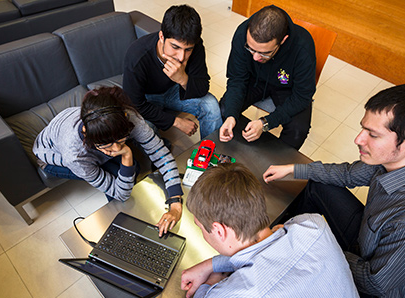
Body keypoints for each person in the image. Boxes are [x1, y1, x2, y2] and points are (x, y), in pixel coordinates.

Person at [263, 84, 405, 297]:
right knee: (317, 185)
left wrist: (313, 243)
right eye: (363, 128)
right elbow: (347, 175)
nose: (358, 139)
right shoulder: (399, 159)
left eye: (373, 135)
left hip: (374, 289)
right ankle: (282, 234)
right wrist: (294, 169)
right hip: (365, 242)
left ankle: (286, 243)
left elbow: (374, 283)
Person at [181, 163, 359, 298]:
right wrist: (212, 264)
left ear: (219, 231)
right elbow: (272, 242)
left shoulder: (230, 294)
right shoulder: (314, 225)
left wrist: (210, 284)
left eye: (200, 227)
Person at [33, 86, 182, 236]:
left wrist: (175, 203)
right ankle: (124, 231)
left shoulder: (128, 116)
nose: (116, 148)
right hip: (51, 156)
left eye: (120, 140)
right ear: (87, 134)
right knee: (121, 174)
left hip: (69, 127)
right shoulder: (75, 155)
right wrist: (127, 154)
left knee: (147, 136)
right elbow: (120, 194)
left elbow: (162, 155)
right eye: (107, 145)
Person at [219, 5, 316, 150]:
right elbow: (237, 79)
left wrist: (266, 123)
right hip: (254, 79)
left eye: (264, 53)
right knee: (224, 109)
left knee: (298, 130)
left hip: (286, 87)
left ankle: (275, 165)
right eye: (251, 49)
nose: (256, 57)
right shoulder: (242, 34)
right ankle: (234, 152)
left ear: (283, 40)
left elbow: (303, 96)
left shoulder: (303, 46)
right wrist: (231, 115)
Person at [123, 4, 222, 140]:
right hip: (148, 98)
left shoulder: (196, 47)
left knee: (210, 104)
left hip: (174, 91)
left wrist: (183, 79)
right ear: (162, 36)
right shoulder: (137, 55)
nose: (181, 57)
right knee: (146, 129)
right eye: (175, 47)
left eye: (188, 50)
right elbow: (134, 104)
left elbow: (203, 87)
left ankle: (209, 153)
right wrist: (176, 121)